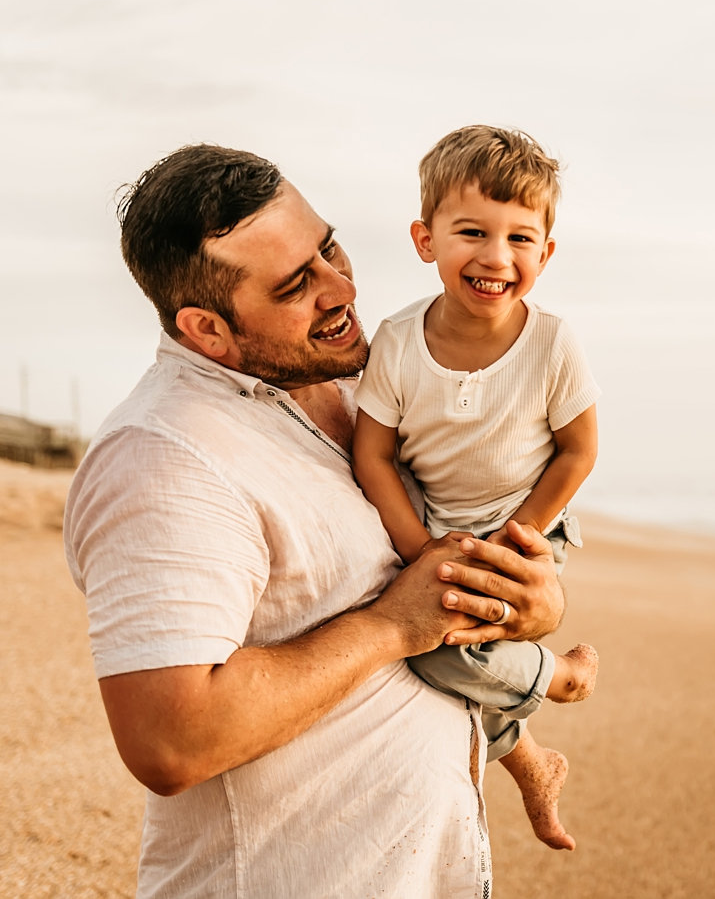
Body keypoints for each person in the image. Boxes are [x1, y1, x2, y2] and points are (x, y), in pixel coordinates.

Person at [63, 143, 566, 898]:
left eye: (329, 247)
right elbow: (169, 740)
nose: (341, 288)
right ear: (206, 330)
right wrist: (392, 627)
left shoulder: (370, 379)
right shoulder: (164, 456)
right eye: (298, 284)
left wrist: (533, 599)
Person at [352, 126, 599, 852]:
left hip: (528, 524)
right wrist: (419, 548)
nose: (496, 257)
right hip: (431, 523)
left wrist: (517, 537)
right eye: (472, 232)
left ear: (545, 254)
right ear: (426, 240)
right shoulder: (398, 342)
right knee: (425, 642)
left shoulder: (551, 343)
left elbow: (578, 452)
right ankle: (539, 730)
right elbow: (373, 455)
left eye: (521, 239)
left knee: (440, 647)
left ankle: (550, 701)